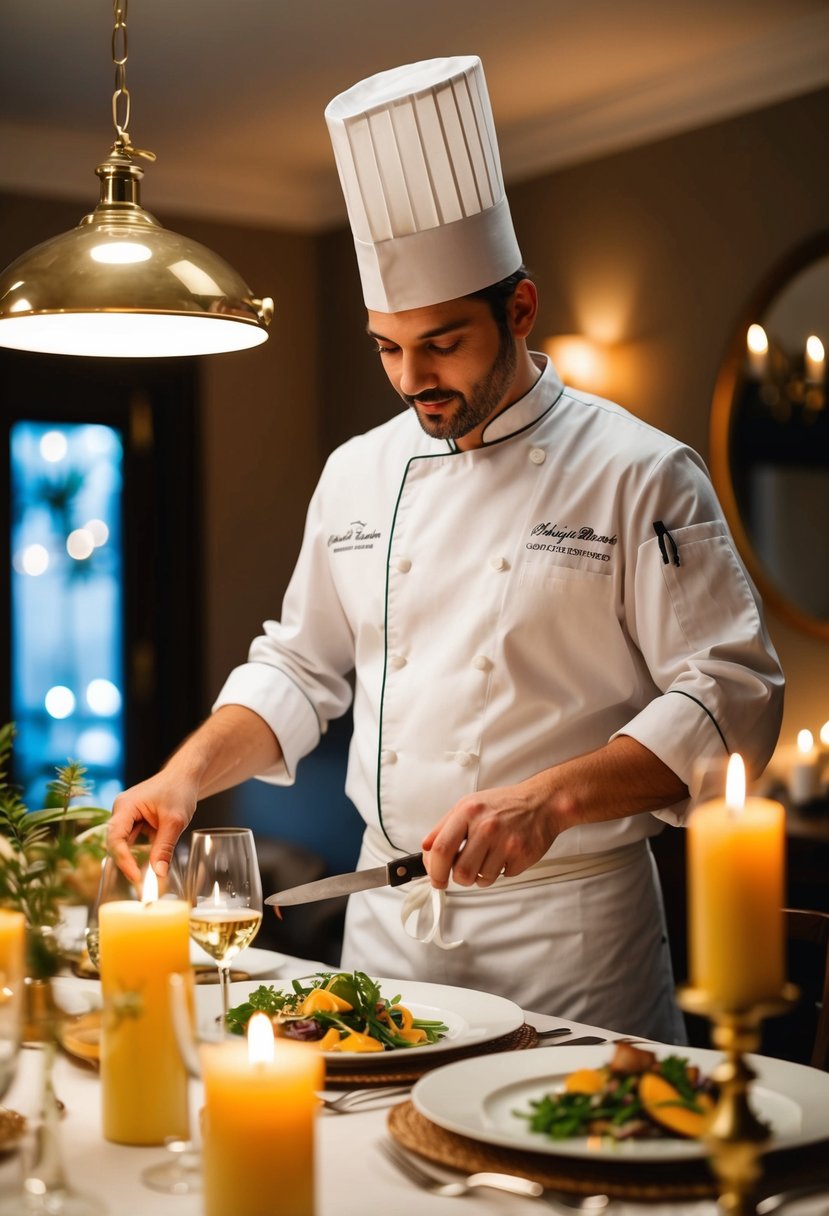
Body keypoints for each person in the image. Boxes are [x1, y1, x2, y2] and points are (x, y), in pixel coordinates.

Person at [108, 56, 784, 1041]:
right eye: (387, 345)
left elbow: (731, 696)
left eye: (442, 342)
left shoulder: (641, 471)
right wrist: (185, 776)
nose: (410, 377)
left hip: (568, 943)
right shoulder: (355, 473)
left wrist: (546, 800)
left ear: (519, 310)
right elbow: (299, 668)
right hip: (387, 940)